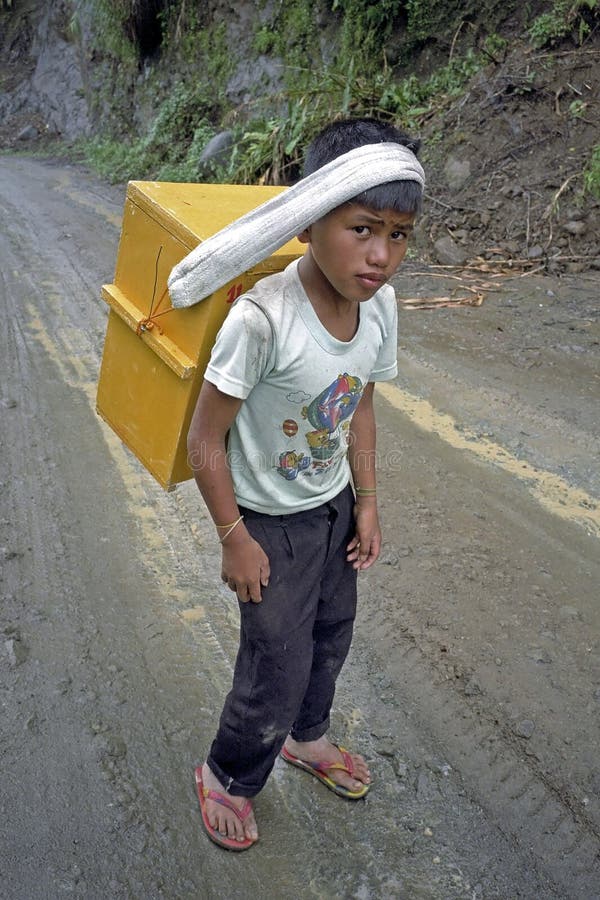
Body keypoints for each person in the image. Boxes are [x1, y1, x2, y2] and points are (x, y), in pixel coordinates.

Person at [186, 117, 424, 851]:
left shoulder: (378, 308)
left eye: (399, 234)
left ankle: (307, 739)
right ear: (308, 220)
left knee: (328, 638)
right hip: (267, 526)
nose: (381, 255)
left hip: (331, 511)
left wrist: (368, 504)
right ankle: (227, 774)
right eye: (362, 228)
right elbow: (204, 440)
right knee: (274, 662)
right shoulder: (262, 320)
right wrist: (235, 539)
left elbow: (360, 405)